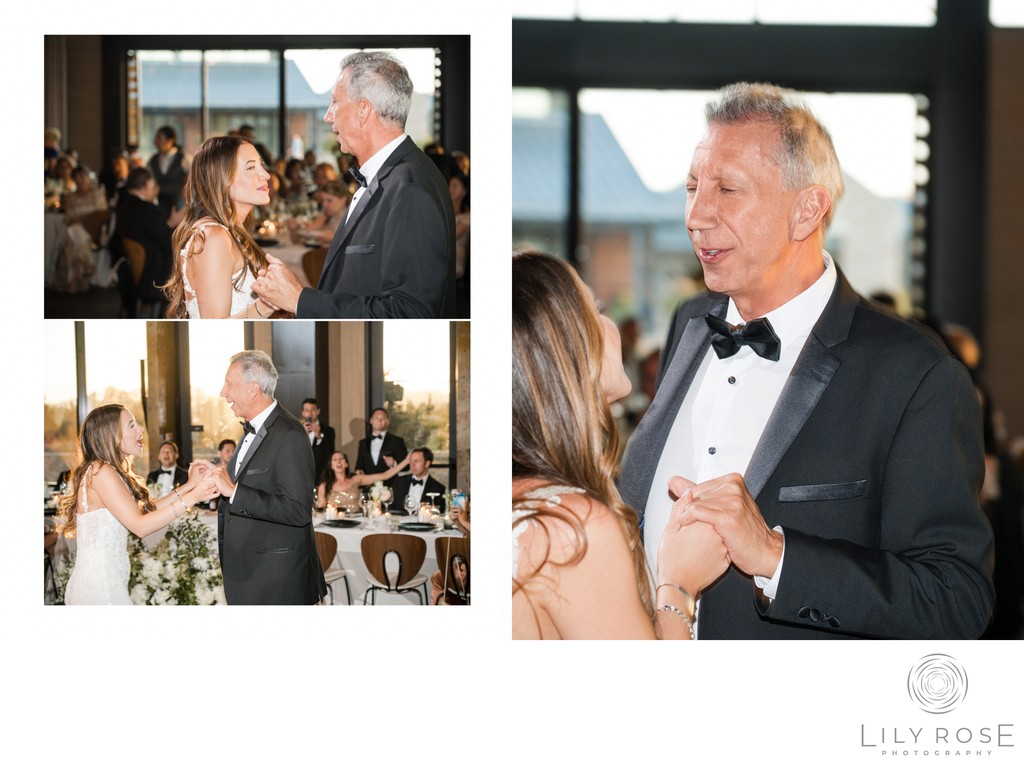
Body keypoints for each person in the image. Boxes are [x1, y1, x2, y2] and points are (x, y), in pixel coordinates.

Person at [618, 82, 994, 639]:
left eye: (727, 189)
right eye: (693, 186)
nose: (696, 215)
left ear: (807, 210)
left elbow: (954, 600)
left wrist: (775, 555)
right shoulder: (691, 323)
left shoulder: (915, 375)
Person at [512, 252, 730, 639]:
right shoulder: (573, 529)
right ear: (568, 347)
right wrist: (678, 588)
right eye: (596, 309)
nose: (609, 323)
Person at [252, 51, 456, 318]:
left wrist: (300, 300)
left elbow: (409, 312)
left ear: (363, 111)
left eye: (335, 102)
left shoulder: (409, 187)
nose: (328, 116)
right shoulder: (394, 175)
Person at [57, 404, 220, 605]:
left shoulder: (102, 470)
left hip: (107, 582)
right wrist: (193, 497)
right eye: (132, 426)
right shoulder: (101, 472)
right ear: (112, 435)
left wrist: (189, 486)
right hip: (100, 589)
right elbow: (141, 526)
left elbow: (145, 512)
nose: (141, 430)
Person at [202, 351, 326, 604]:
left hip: (277, 582)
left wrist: (235, 492)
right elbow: (252, 483)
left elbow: (297, 510)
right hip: (251, 574)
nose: (223, 392)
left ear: (252, 389)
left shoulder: (289, 434)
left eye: (229, 383)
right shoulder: (254, 429)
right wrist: (215, 475)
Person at [161, 135, 277, 319]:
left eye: (261, 165)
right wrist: (266, 305)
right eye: (251, 167)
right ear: (222, 179)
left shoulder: (225, 233)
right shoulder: (213, 238)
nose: (265, 175)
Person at [112, 166, 184, 317]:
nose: (155, 191)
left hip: (130, 273)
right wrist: (176, 224)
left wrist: (168, 224)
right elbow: (168, 241)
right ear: (145, 185)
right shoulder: (147, 209)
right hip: (153, 275)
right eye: (153, 187)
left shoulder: (123, 207)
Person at [315, 451, 410, 513]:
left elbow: (385, 475)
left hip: (356, 521)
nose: (339, 461)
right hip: (334, 523)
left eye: (341, 458)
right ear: (331, 465)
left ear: (346, 464)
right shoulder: (324, 485)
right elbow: (321, 511)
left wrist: (406, 461)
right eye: (335, 460)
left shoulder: (356, 479)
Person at [147, 125, 191, 219]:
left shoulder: (183, 158)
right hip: (159, 203)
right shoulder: (152, 160)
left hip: (178, 203)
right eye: (156, 138)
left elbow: (192, 176)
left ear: (170, 141)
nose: (156, 141)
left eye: (159, 138)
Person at [287, 180, 350, 245]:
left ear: (344, 199)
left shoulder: (351, 219)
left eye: (329, 200)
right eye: (322, 201)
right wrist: (294, 230)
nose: (324, 205)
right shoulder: (325, 217)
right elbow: (299, 239)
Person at [355, 407, 407, 479]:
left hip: (390, 486)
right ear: (371, 421)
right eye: (376, 418)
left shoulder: (397, 441)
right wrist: (359, 471)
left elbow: (407, 466)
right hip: (368, 486)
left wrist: (394, 463)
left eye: (382, 418)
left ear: (387, 422)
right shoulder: (363, 443)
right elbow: (359, 466)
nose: (379, 420)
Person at [391, 447, 447, 515]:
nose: (412, 465)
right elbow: (392, 509)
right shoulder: (399, 482)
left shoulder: (438, 488)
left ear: (427, 464)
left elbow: (438, 513)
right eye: (411, 461)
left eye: (417, 461)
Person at [301, 397, 336, 480]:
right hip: (301, 474)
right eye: (306, 410)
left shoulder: (328, 430)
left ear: (318, 411)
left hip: (321, 476)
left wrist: (319, 436)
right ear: (302, 413)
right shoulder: (296, 429)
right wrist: (302, 433)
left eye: (312, 410)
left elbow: (330, 453)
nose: (310, 413)